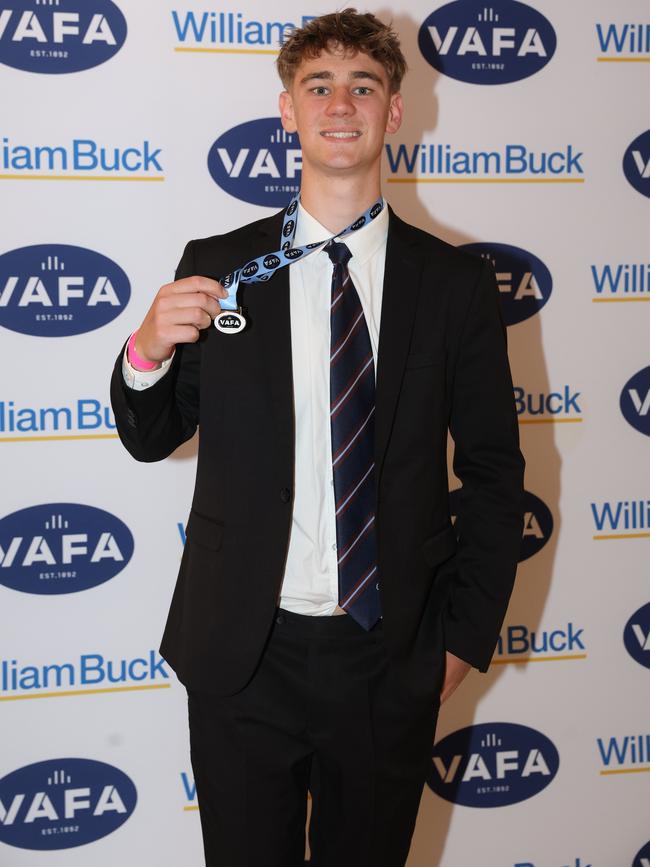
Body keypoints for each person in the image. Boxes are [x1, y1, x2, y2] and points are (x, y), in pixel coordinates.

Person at [110, 9, 524, 867]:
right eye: (319, 86)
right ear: (288, 111)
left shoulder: (454, 285)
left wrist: (457, 644)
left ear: (395, 112)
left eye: (363, 86)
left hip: (389, 658)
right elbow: (152, 437)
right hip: (240, 657)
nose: (342, 103)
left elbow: (493, 475)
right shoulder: (219, 264)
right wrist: (146, 347)